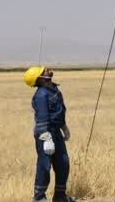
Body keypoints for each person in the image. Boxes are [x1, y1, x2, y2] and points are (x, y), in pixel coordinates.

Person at [25, 66, 73, 202]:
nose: (48, 70)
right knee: (45, 165)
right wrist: (46, 137)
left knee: (63, 162)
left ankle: (60, 196)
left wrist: (64, 127)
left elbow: (58, 112)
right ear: (39, 78)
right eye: (43, 71)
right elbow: (42, 117)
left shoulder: (54, 90)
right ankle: (39, 197)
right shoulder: (41, 94)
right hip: (45, 132)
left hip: (56, 131)